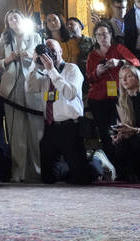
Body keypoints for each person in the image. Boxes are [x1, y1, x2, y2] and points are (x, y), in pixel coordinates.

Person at [27, 37, 110, 184]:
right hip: (50, 128)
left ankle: (97, 159)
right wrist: (35, 63)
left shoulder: (72, 69)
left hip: (70, 128)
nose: (50, 54)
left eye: (53, 50)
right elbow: (30, 87)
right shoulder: (45, 74)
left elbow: (70, 93)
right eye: (46, 51)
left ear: (61, 51)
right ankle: (70, 167)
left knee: (83, 179)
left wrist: (52, 71)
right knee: (48, 178)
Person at [0, 9, 44, 182]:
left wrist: (29, 56)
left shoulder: (35, 37)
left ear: (22, 19)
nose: (13, 21)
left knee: (35, 128)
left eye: (16, 17)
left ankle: (37, 171)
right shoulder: (4, 39)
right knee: (17, 130)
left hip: (31, 83)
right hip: (11, 86)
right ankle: (19, 171)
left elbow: (42, 58)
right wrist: (9, 59)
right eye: (10, 19)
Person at [85, 20, 139, 158]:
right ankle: (112, 162)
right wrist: (97, 72)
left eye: (105, 34)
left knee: (122, 128)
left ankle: (125, 160)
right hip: (98, 98)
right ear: (95, 37)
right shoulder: (92, 55)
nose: (102, 37)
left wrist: (119, 62)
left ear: (110, 34)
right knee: (104, 132)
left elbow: (136, 62)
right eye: (99, 35)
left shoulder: (118, 48)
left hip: (119, 95)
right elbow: (89, 79)